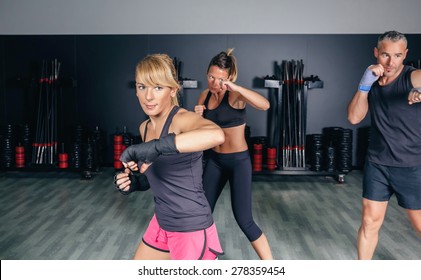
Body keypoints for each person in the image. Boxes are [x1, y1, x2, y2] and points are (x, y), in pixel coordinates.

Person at [114, 53, 225, 260]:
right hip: (162, 222)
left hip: (189, 226)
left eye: (158, 87)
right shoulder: (145, 127)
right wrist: (136, 182)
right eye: (142, 87)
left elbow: (217, 135)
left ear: (172, 89)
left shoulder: (182, 119)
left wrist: (156, 147)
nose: (148, 96)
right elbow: (157, 174)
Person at [347, 31, 421, 260]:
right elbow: (354, 118)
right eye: (386, 55)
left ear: (405, 55)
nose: (391, 62)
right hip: (377, 163)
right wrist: (363, 87)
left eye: (398, 56)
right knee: (369, 221)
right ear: (376, 53)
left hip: (411, 165)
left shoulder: (414, 77)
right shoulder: (372, 79)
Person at [194, 49, 273, 260]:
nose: (214, 82)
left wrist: (235, 87)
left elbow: (265, 105)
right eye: (211, 76)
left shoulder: (236, 95)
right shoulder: (204, 96)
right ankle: (206, 257)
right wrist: (197, 117)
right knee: (201, 213)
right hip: (214, 161)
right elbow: (198, 132)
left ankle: (272, 267)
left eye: (220, 79)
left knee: (244, 219)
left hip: (238, 162)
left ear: (228, 78)